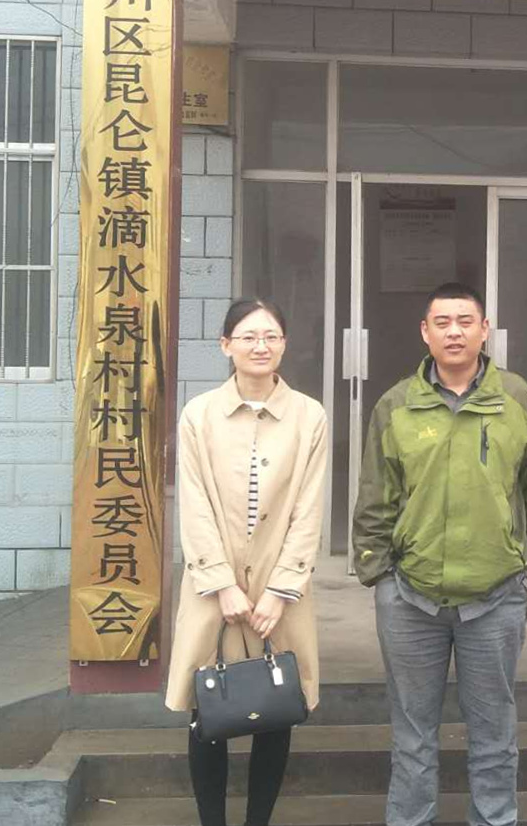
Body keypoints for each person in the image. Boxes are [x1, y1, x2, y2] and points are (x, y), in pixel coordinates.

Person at [353, 281, 527, 826]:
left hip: (494, 600)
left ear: (484, 330)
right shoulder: (396, 405)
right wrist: (379, 576)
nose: (454, 332)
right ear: (424, 332)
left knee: (494, 735)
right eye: (442, 323)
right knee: (412, 739)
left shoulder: (516, 398)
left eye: (465, 321)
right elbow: (375, 499)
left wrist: (522, 560)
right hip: (409, 600)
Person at [164, 298, 328, 826]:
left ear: (284, 344)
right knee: (207, 710)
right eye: (249, 336)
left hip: (282, 592)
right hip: (213, 589)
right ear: (225, 345)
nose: (261, 346)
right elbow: (193, 505)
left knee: (277, 708)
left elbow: (309, 508)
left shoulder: (309, 415)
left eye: (271, 336)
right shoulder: (199, 414)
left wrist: (281, 590)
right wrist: (221, 584)